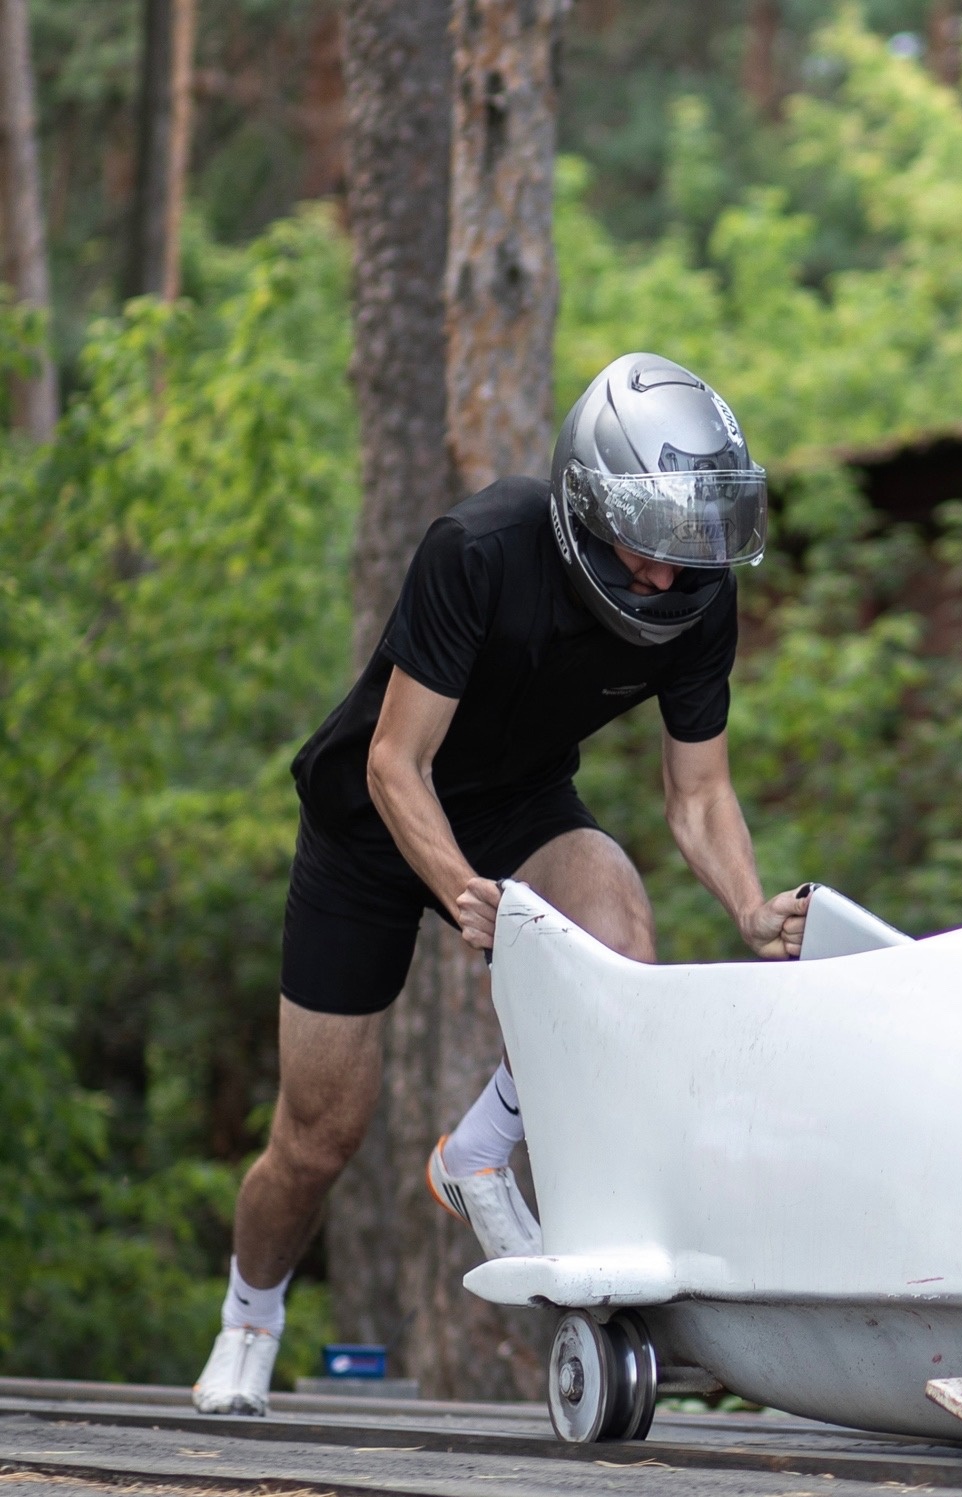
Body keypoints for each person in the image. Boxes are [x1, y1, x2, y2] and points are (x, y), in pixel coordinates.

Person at [192, 354, 811, 1417]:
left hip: (518, 799)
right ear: (585, 504)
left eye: (686, 548)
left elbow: (698, 795)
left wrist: (751, 908)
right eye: (642, 546)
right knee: (320, 1131)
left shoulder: (700, 600)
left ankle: (478, 1151)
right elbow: (395, 763)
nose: (665, 576)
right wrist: (462, 888)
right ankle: (249, 1313)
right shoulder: (480, 548)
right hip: (369, 819)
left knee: (617, 927)